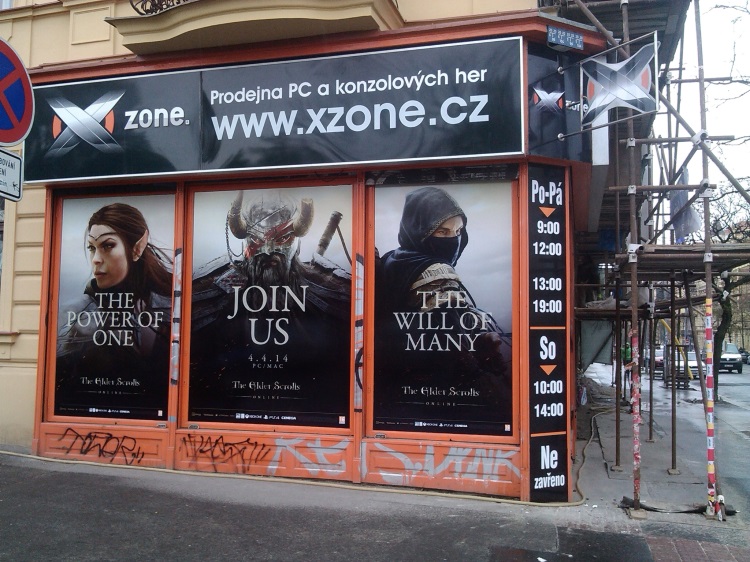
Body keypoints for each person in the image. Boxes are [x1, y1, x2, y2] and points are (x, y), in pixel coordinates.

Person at [374, 186, 511, 433]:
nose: (453, 240)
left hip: (394, 387)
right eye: (442, 231)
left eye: (458, 231)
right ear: (420, 231)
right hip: (437, 390)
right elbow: (455, 344)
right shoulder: (436, 271)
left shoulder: (393, 258)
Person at [55, 202, 173, 418]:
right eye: (92, 248)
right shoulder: (79, 315)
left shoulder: (170, 303)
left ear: (137, 248)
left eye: (107, 246)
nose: (96, 259)